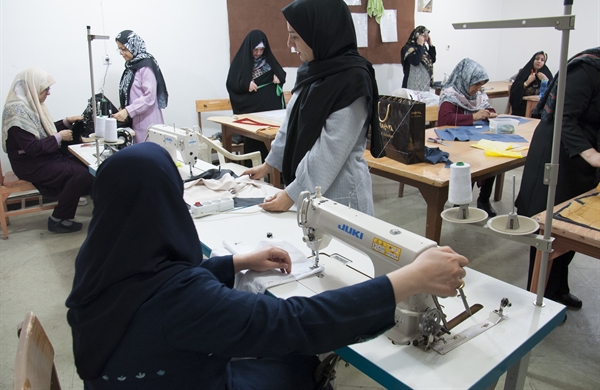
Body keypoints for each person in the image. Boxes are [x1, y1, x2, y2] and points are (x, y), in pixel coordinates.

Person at [65, 142, 468, 389]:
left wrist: (236, 263)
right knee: (299, 362)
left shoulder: (101, 267)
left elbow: (156, 292)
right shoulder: (183, 303)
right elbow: (296, 321)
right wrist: (409, 279)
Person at [242, 0, 386, 215]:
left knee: (338, 239)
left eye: (295, 36)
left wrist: (293, 193)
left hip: (342, 195)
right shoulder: (313, 69)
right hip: (310, 190)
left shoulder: (353, 80)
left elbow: (330, 150)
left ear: (319, 34)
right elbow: (291, 124)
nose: (289, 44)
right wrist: (269, 164)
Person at [516, 47, 600, 310]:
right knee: (548, 229)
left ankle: (558, 289)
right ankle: (539, 296)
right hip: (557, 154)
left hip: (580, 157)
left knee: (569, 229)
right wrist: (592, 155)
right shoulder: (587, 69)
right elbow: (563, 117)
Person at [1, 68, 93, 233]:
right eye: (45, 89)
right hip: (30, 164)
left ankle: (80, 207)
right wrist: (59, 137)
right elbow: (31, 147)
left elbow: (41, 130)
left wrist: (66, 121)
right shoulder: (16, 113)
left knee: (84, 165)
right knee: (79, 174)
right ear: (32, 86)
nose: (48, 93)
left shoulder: (29, 106)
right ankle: (58, 219)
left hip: (40, 158)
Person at [438, 58, 499, 217]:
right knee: (469, 162)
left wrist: (490, 114)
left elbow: (487, 107)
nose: (478, 89)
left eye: (481, 85)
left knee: (492, 158)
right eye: (476, 84)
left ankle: (484, 199)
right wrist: (473, 117)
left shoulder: (477, 95)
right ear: (466, 79)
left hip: (473, 138)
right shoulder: (451, 94)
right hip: (454, 141)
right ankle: (460, 201)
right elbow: (444, 119)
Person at [226, 30, 287, 161]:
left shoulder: (269, 60)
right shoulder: (241, 62)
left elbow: (281, 74)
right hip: (253, 116)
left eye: (261, 49)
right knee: (255, 145)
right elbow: (231, 83)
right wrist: (245, 84)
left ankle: (275, 171)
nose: (258, 53)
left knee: (273, 145)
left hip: (270, 115)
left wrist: (278, 76)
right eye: (255, 49)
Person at [112, 30, 168, 144]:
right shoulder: (131, 67)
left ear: (133, 46)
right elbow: (130, 93)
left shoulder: (146, 66)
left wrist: (128, 111)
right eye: (119, 49)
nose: (121, 53)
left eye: (124, 49)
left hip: (148, 121)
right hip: (136, 121)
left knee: (149, 152)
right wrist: (123, 109)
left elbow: (149, 96)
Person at [509, 51, 553, 116]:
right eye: (537, 59)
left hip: (540, 107)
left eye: (542, 60)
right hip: (523, 107)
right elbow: (514, 92)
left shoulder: (546, 74)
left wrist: (546, 80)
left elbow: (553, 91)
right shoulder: (524, 72)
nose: (539, 61)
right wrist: (527, 82)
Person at [400, 26, 436, 91]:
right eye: (424, 36)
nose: (426, 38)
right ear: (417, 35)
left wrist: (430, 45)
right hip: (412, 86)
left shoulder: (422, 48)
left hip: (423, 85)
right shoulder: (408, 48)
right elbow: (416, 61)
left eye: (427, 36)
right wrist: (420, 45)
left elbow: (432, 59)